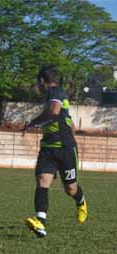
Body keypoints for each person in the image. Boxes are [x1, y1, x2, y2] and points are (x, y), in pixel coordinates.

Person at [21, 65, 87, 237]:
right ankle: (40, 223)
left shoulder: (55, 91)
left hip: (65, 149)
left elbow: (53, 112)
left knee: (70, 189)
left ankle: (81, 201)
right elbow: (70, 122)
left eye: (38, 82)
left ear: (42, 81)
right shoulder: (54, 97)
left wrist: (32, 123)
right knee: (42, 181)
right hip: (48, 148)